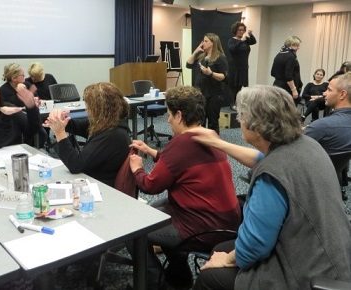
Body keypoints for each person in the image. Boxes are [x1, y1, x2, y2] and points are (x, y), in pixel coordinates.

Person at [190, 85, 351, 290]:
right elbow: (261, 158)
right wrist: (219, 144)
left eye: (241, 116)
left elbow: (253, 247)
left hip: (306, 275)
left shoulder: (271, 175)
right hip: (333, 255)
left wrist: (227, 260)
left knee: (210, 277)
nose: (240, 122)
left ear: (253, 124)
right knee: (221, 248)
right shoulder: (307, 145)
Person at [128, 86, 241, 290]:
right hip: (228, 222)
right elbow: (180, 164)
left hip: (204, 229)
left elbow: (150, 185)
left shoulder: (180, 145)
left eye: (170, 114)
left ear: (179, 115)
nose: (168, 120)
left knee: (135, 231)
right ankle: (179, 276)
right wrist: (152, 152)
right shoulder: (209, 135)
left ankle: (158, 285)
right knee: (156, 209)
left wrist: (137, 169)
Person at [43, 82, 130, 187]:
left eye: (89, 107)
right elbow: (78, 126)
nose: (86, 110)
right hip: (94, 178)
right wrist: (62, 120)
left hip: (100, 186)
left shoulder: (113, 135)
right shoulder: (111, 122)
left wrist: (59, 133)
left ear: (100, 109)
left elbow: (75, 165)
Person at [186, 33, 229, 134]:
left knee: (212, 123)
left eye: (206, 41)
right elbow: (188, 64)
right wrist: (195, 52)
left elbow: (224, 77)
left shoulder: (220, 57)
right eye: (203, 40)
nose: (203, 43)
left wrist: (210, 73)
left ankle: (213, 146)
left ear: (213, 43)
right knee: (200, 121)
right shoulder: (202, 56)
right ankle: (202, 145)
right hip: (200, 94)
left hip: (214, 95)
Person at [227, 22, 256, 110]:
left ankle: (237, 102)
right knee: (233, 86)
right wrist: (241, 41)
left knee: (240, 86)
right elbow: (232, 49)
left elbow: (253, 42)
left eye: (243, 30)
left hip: (243, 67)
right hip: (234, 67)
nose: (241, 32)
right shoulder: (232, 40)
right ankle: (232, 103)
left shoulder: (245, 40)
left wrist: (251, 34)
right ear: (235, 30)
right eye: (239, 30)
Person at [271, 35, 303, 104]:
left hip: (277, 85)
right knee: (288, 111)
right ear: (291, 45)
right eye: (297, 46)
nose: (298, 48)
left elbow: (273, 72)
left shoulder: (279, 54)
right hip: (287, 88)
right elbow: (288, 76)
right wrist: (294, 90)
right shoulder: (291, 56)